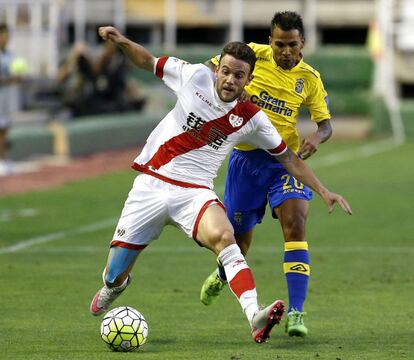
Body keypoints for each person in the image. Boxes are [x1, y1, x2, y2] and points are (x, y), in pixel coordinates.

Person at [89, 26, 352, 344]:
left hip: (194, 193)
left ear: (249, 80)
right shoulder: (193, 76)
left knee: (227, 238)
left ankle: (255, 315)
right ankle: (114, 285)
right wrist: (122, 42)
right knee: (114, 272)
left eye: (239, 76)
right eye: (226, 72)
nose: (230, 80)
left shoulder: (252, 118)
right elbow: (147, 61)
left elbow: (288, 159)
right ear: (218, 70)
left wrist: (324, 190)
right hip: (151, 186)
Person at [200, 11, 333, 337]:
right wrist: (230, 91)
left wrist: (315, 139)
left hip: (284, 161)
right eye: (279, 45)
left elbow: (325, 125)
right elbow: (208, 72)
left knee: (296, 223)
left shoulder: (310, 79)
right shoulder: (250, 56)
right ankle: (222, 273)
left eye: (292, 45)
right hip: (246, 162)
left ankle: (297, 313)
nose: (285, 52)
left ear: (302, 43)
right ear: (269, 42)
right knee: (239, 242)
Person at [0, 24, 24, 176]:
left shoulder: (8, 54)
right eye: (4, 34)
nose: (7, 38)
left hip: (6, 99)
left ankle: (3, 159)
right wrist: (11, 79)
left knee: (5, 129)